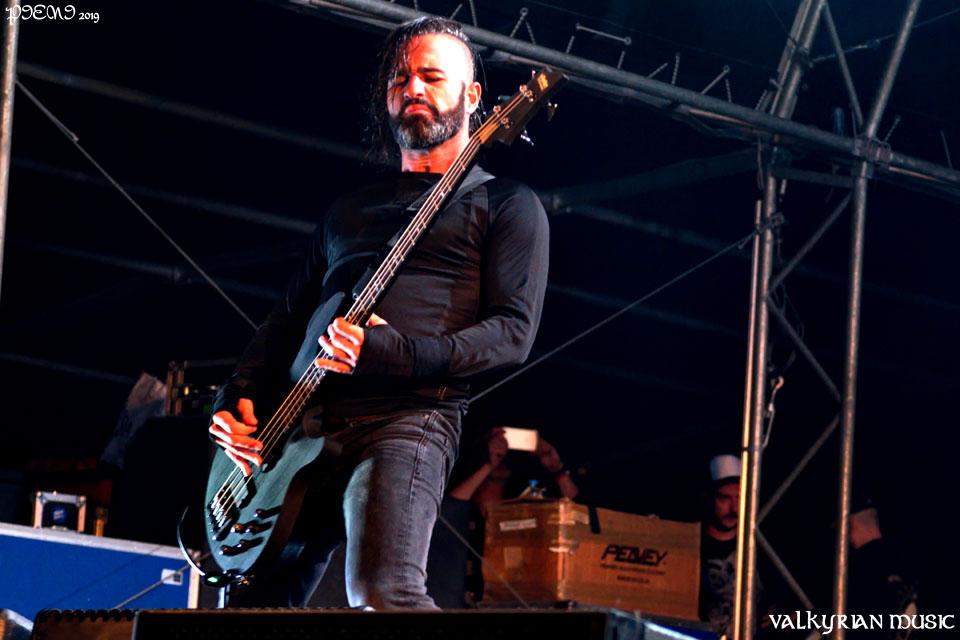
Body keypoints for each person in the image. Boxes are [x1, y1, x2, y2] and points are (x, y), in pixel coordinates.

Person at [206, 16, 549, 610]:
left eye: (431, 77)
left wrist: (396, 352)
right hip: (299, 426)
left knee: (382, 593)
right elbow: (286, 319)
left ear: (472, 97)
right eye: (400, 78)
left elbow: (512, 334)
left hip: (407, 419)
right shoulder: (349, 210)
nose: (412, 87)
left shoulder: (505, 203)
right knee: (252, 604)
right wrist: (236, 396)